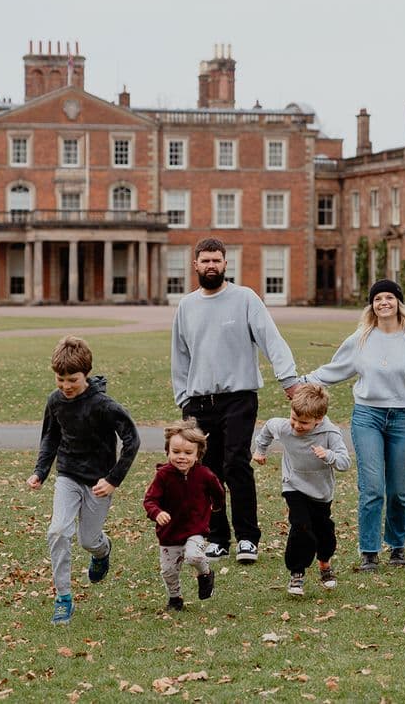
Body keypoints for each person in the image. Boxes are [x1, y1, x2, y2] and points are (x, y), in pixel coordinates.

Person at [171, 236, 300, 564]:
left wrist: (288, 380)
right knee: (206, 472)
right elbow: (180, 356)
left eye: (217, 260)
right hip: (199, 402)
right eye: (205, 261)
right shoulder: (186, 306)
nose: (211, 265)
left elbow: (271, 338)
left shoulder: (244, 298)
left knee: (235, 465)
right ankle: (217, 538)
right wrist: (183, 397)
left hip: (239, 397)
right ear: (195, 265)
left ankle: (247, 538)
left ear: (226, 264)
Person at [300, 279, 405, 572]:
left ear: (399, 303)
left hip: (403, 418)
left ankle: (397, 546)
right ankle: (369, 551)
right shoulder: (361, 338)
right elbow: (334, 369)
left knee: (400, 489)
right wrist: (301, 382)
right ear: (372, 305)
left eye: (389, 297)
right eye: (378, 299)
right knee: (373, 486)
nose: (384, 303)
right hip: (368, 417)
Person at [26, 335, 140, 625]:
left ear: (86, 374)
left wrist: (113, 479)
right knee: (57, 531)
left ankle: (103, 551)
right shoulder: (55, 402)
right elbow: (50, 437)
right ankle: (63, 597)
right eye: (60, 378)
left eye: (72, 379)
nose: (66, 385)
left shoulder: (104, 405)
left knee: (88, 540)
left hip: (99, 482)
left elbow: (132, 440)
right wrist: (41, 471)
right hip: (67, 475)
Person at [252, 384, 351, 595]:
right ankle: (296, 574)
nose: (296, 425)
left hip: (322, 492)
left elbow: (345, 463)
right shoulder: (285, 426)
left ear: (319, 418)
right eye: (294, 418)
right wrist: (260, 450)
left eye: (304, 423)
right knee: (301, 527)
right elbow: (268, 427)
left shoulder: (330, 433)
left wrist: (329, 455)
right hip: (293, 484)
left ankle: (325, 564)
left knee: (324, 533)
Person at [143, 419, 226, 612]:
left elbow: (219, 492)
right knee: (169, 571)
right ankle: (175, 598)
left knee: (194, 556)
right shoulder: (163, 475)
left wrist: (217, 505)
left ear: (198, 454)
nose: (182, 457)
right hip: (169, 533)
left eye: (188, 453)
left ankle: (205, 574)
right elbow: (149, 500)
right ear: (167, 451)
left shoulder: (205, 475)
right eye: (176, 452)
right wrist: (158, 513)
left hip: (195, 529)